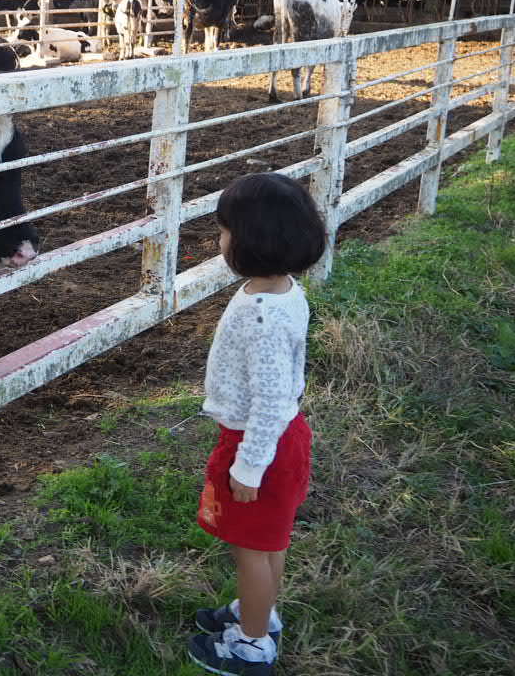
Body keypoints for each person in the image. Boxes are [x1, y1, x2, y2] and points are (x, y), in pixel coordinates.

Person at [187, 172, 326, 676]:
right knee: (271, 540)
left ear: (250, 241)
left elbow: (268, 400)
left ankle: (250, 644)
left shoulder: (262, 314)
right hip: (284, 436)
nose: (219, 239)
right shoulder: (285, 290)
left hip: (260, 442)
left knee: (251, 548)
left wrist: (248, 466)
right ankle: (259, 612)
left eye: (224, 230)